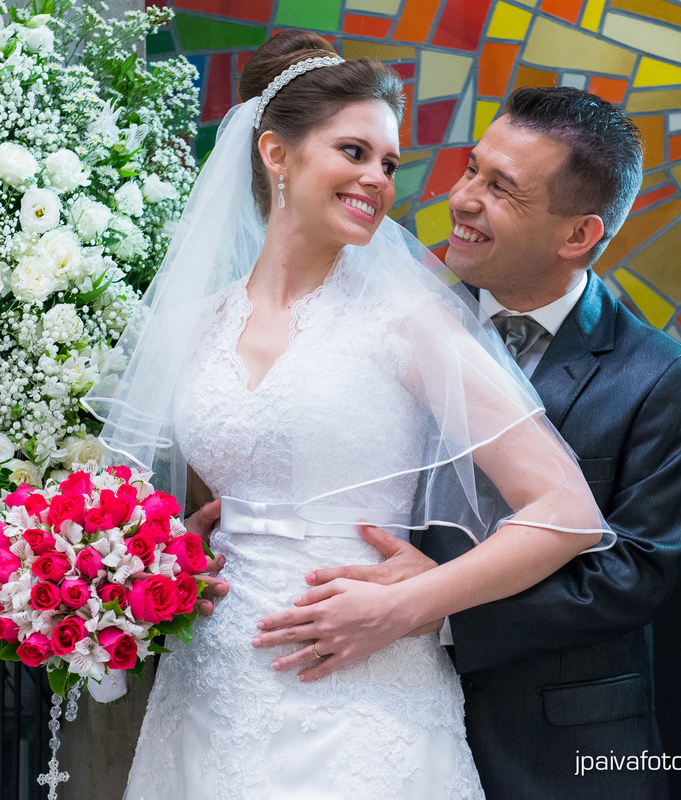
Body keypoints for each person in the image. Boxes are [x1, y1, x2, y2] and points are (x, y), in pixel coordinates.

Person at [88, 32, 612, 799]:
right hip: (209, 689)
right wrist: (169, 563)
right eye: (354, 152)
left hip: (362, 699)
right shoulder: (198, 324)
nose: (377, 179)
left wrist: (407, 604)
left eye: (389, 164)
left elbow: (567, 512)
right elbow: (199, 500)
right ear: (276, 154)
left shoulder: (410, 323)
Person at [256, 87, 681, 798]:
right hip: (366, 711)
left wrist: (430, 606)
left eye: (501, 188)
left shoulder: (659, 377)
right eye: (472, 168)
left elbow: (631, 575)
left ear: (577, 235)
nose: (462, 199)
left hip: (556, 745)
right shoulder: (392, 324)